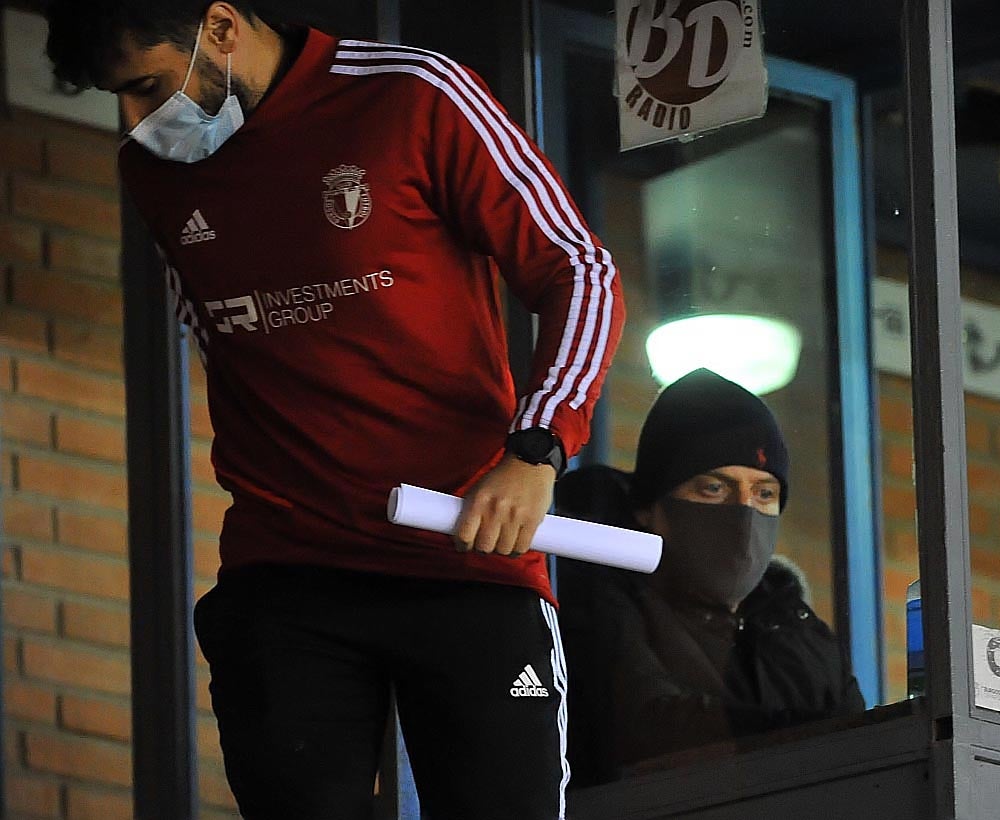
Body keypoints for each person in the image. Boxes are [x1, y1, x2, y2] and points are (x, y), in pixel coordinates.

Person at [45, 2, 625, 818]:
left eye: (145, 86)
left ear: (219, 27)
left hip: (463, 550)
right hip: (288, 570)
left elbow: (578, 270)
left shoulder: (412, 95)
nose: (134, 123)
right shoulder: (156, 171)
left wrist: (536, 451)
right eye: (119, 99)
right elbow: (220, 337)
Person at [557, 368, 864, 785]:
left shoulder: (803, 636)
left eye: (764, 493)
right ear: (651, 509)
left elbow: (868, 766)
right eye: (713, 488)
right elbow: (643, 731)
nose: (743, 513)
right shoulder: (596, 593)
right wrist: (807, 736)